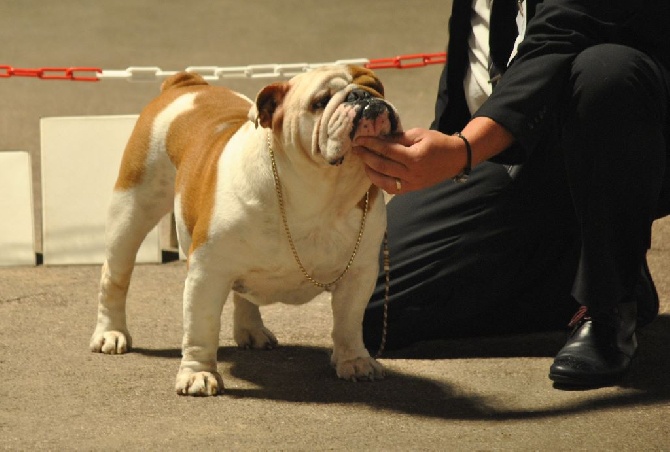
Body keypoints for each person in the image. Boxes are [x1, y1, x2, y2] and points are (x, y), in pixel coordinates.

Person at [354, 0, 670, 387]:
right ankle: (594, 263)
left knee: (607, 71)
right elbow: (478, 47)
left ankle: (607, 303)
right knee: (370, 308)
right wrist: (441, 160)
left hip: (624, 139)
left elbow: (558, 36)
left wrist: (461, 151)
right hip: (506, 149)